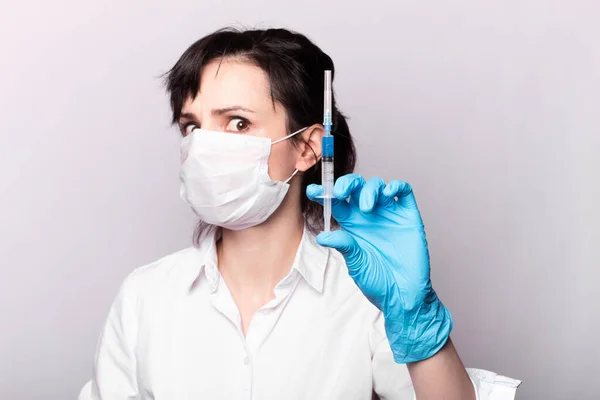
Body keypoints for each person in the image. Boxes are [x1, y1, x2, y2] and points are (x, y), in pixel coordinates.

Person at [78, 27, 520, 399]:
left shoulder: (365, 295)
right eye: (193, 125)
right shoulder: (145, 296)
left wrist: (418, 321)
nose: (202, 146)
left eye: (237, 122)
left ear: (308, 147)